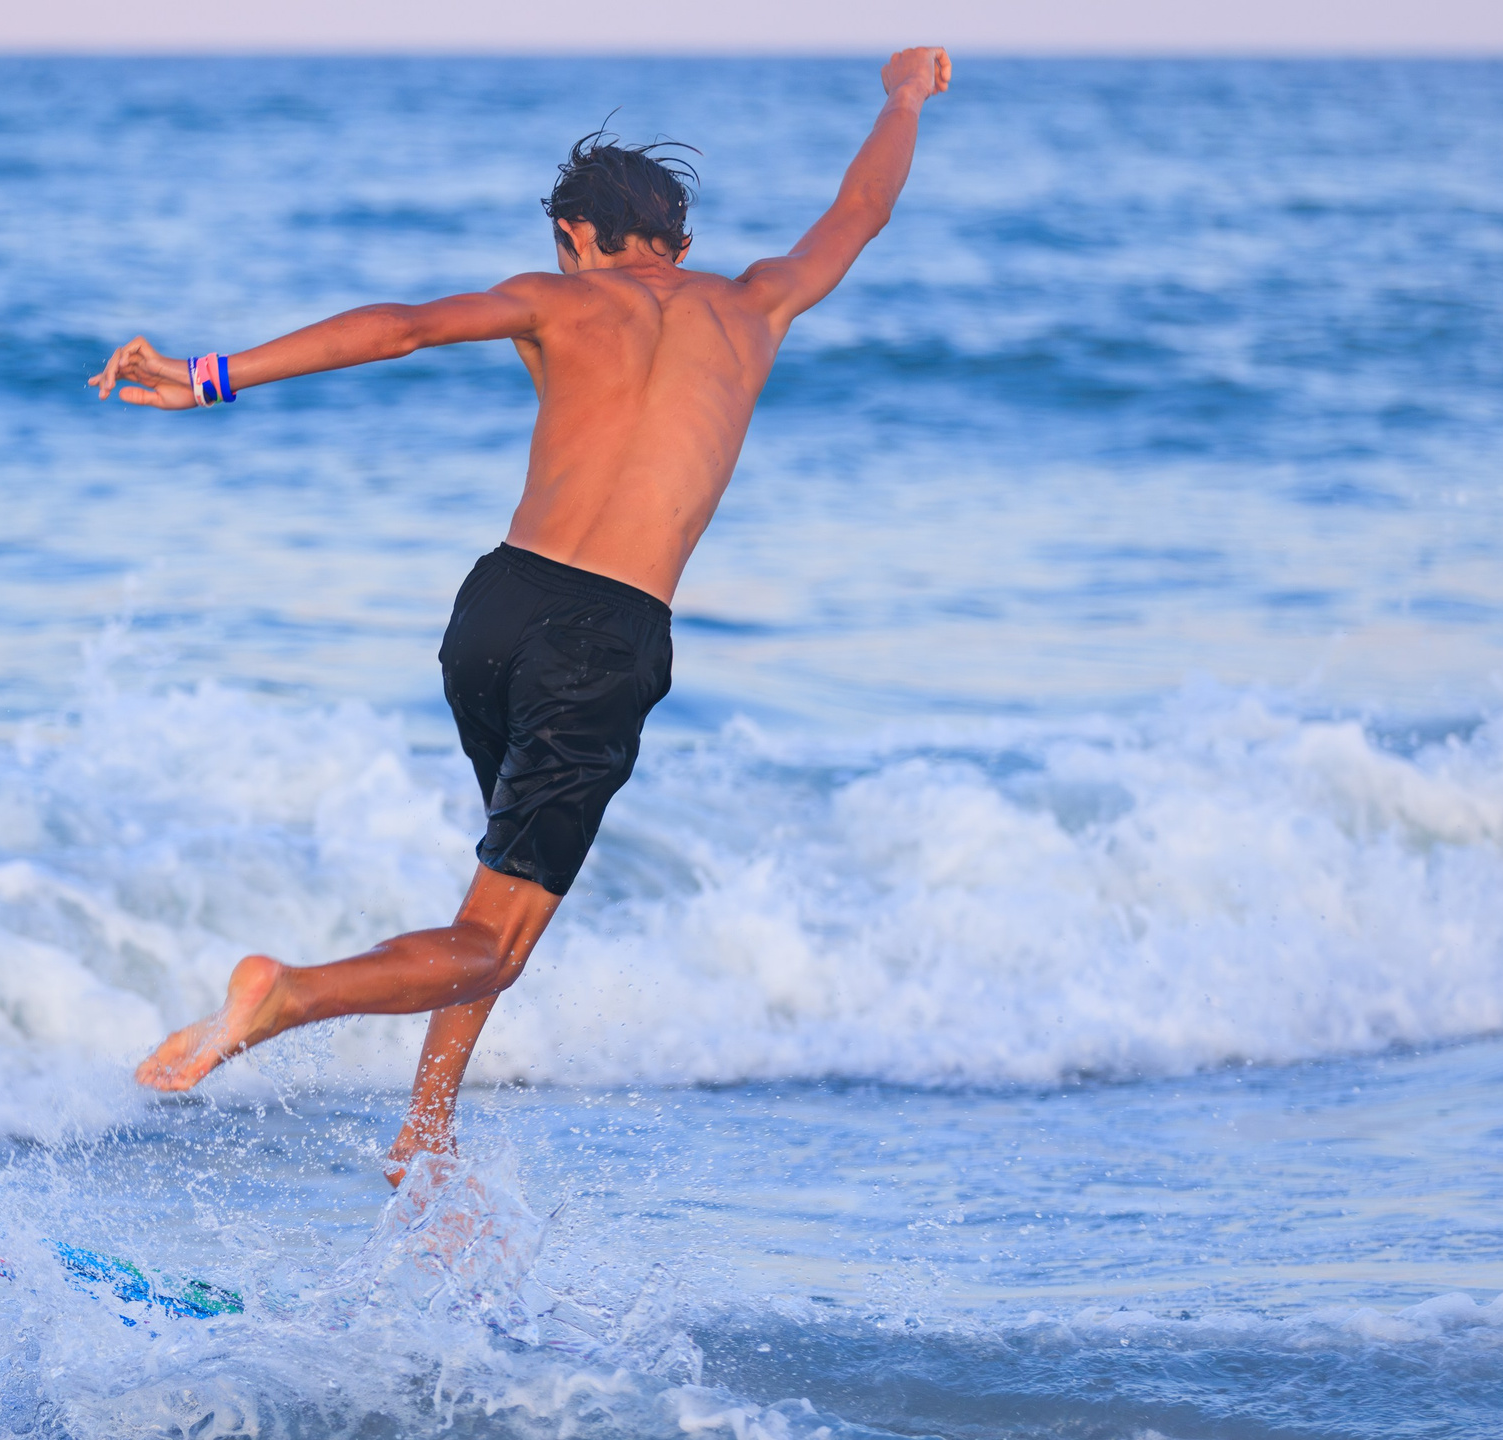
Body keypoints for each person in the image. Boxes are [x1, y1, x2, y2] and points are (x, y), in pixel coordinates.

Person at [90, 47, 952, 1182]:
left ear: (572, 238)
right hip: (606, 639)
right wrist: (903, 97)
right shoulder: (757, 299)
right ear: (679, 246)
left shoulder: (552, 298)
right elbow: (862, 207)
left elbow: (397, 326)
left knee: (498, 905)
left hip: (494, 609)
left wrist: (210, 374)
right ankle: (284, 998)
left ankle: (428, 1129)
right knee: (493, 934)